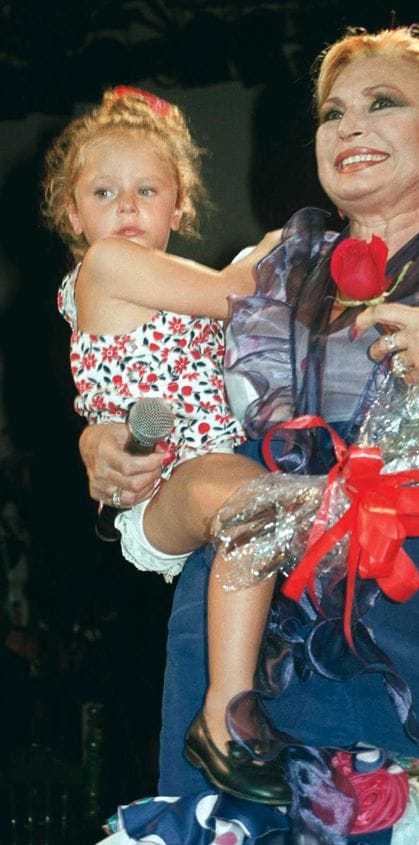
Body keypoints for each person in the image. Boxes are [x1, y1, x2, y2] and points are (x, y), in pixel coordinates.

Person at [77, 23, 419, 845]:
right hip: (231, 617)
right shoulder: (263, 269)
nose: (348, 127)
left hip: (398, 631)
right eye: (332, 113)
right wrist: (104, 437)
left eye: (381, 103)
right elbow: (145, 376)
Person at [43, 86, 290, 805]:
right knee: (256, 504)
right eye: (104, 191)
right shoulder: (107, 267)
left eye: (146, 190)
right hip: (171, 477)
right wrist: (286, 241)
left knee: (264, 508)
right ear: (74, 213)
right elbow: (233, 290)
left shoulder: (164, 282)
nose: (125, 208)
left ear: (177, 207)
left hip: (201, 463)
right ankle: (223, 714)